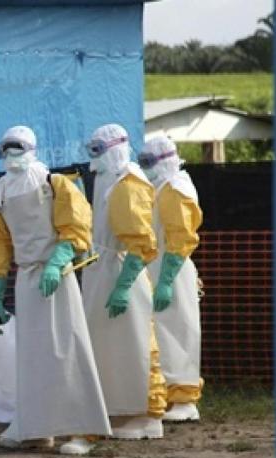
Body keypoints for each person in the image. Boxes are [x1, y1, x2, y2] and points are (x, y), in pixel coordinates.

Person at [0, 126, 112, 455]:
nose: (12, 155)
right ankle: (36, 428)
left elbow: (76, 227)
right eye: (6, 149)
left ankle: (82, 429)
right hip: (27, 279)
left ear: (33, 149)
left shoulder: (55, 184)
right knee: (32, 357)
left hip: (58, 276)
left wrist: (58, 261)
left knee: (68, 349)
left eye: (18, 148)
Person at [82, 124, 168, 439]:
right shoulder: (108, 180)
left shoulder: (129, 184)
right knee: (111, 345)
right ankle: (119, 408)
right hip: (102, 269)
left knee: (139, 344)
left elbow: (141, 242)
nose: (94, 158)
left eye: (98, 150)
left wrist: (123, 286)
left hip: (121, 272)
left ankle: (149, 414)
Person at [140, 136, 204, 422]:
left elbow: (182, 237)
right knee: (162, 332)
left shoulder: (176, 188)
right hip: (158, 268)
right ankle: (165, 392)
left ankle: (185, 399)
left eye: (149, 162)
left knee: (179, 331)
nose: (145, 168)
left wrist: (166, 280)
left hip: (173, 271)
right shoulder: (160, 188)